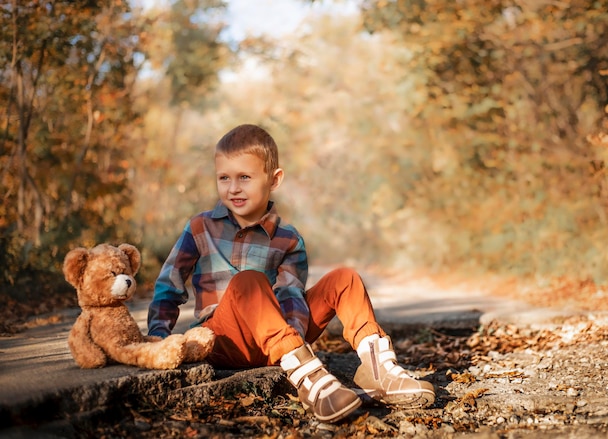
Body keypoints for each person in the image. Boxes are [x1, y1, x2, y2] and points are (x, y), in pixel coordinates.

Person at [147, 124, 435, 423]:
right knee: (248, 280)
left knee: (345, 278)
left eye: (244, 177)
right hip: (223, 339)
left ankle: (380, 371)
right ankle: (312, 381)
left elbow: (291, 293)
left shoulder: (288, 237)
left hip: (281, 337)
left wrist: (292, 340)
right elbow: (170, 283)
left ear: (274, 179)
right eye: (224, 178)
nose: (233, 188)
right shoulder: (199, 227)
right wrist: (158, 336)